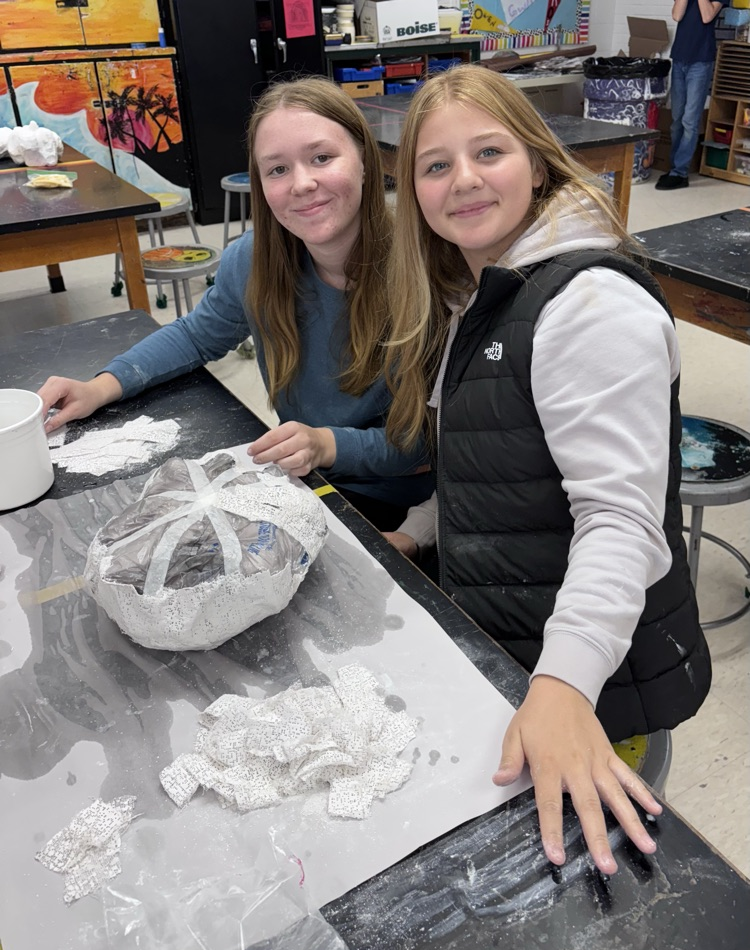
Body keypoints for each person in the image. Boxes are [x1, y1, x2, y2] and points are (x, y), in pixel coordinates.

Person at [383, 65, 711, 874]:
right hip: (518, 642)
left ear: (538, 160)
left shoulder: (588, 306)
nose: (462, 179)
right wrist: (420, 530)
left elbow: (621, 522)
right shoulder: (481, 290)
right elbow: (498, 456)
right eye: (435, 164)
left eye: (488, 151)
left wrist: (563, 683)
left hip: (598, 681)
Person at [38, 77, 431, 530]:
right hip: (305, 482)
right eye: (277, 169)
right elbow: (194, 336)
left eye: (322, 158)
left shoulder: (423, 272)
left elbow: (428, 441)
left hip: (394, 502)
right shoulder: (255, 260)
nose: (302, 183)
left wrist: (326, 444)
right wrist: (98, 387)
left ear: (364, 159)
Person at [656, 0, 724, 190]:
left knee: (690, 120)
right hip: (679, 58)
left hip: (701, 62)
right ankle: (673, 168)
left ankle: (680, 172)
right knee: (677, 119)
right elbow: (677, 15)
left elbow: (707, 16)